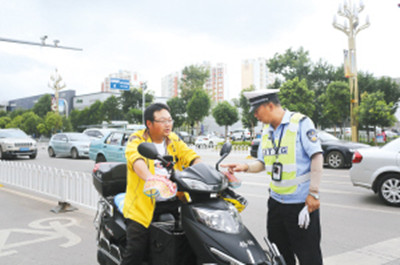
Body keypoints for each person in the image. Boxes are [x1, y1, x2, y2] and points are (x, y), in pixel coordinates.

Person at [221, 89, 323, 265]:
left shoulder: (301, 123)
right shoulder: (267, 131)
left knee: (308, 256)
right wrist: (244, 167)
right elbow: (262, 162)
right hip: (276, 204)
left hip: (300, 204)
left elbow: (317, 156)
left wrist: (313, 193)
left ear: (269, 106)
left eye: (256, 111)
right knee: (280, 254)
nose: (255, 116)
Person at [121, 103, 201, 265]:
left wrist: (206, 172)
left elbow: (191, 156)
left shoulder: (173, 139)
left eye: (170, 120)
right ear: (149, 124)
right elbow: (136, 161)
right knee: (136, 251)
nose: (168, 124)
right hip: (142, 206)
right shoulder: (136, 140)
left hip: (174, 201)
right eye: (163, 121)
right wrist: (152, 179)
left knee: (193, 241)